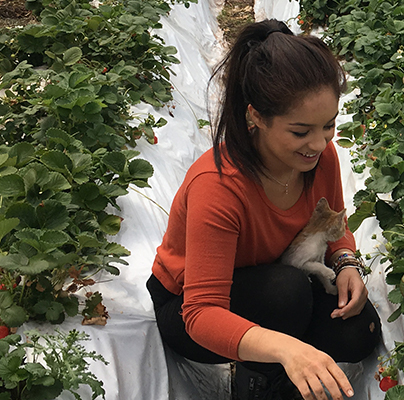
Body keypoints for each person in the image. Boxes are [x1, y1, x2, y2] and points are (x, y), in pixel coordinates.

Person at [146, 19, 381, 400]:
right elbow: (202, 314)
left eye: (328, 126)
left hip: (282, 276)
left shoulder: (320, 158)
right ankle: (257, 379)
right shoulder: (219, 186)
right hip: (191, 308)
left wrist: (346, 262)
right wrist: (287, 350)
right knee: (284, 296)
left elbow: (333, 223)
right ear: (256, 116)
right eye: (300, 131)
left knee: (357, 331)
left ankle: (284, 362)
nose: (318, 143)